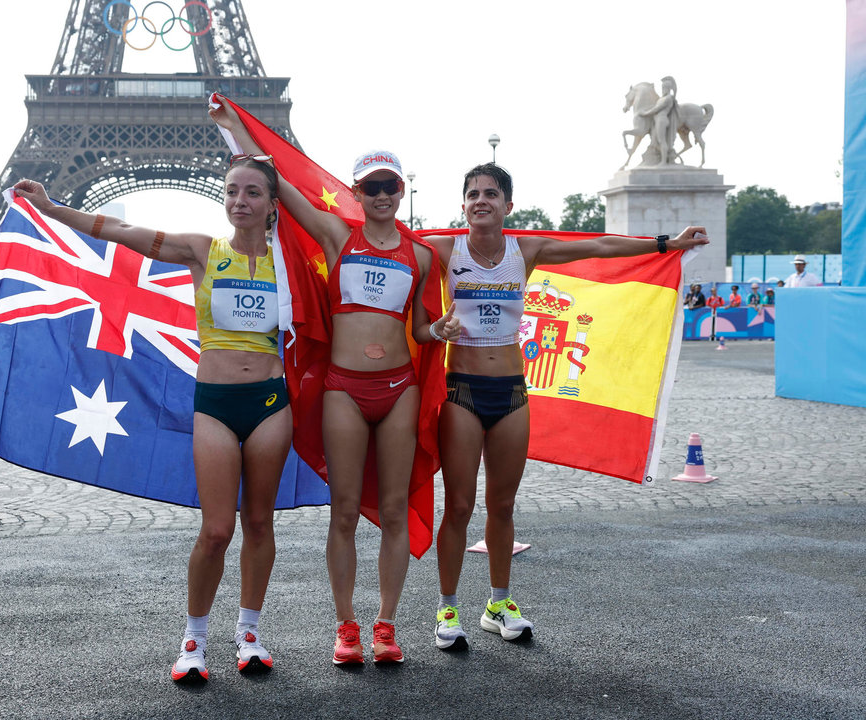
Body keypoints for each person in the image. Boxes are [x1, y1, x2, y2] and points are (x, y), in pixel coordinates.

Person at [13, 156, 292, 683]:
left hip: (269, 403)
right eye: (232, 191)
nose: (239, 201)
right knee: (215, 530)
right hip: (215, 402)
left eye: (253, 192)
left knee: (259, 523)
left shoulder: (289, 265)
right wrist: (51, 208)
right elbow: (120, 230)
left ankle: (250, 633)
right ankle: (194, 639)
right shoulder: (204, 251)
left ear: (273, 205)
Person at [419, 163, 709, 650]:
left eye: (491, 193)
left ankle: (498, 603)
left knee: (503, 506)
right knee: (461, 506)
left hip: (512, 394)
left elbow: (597, 246)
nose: (481, 201)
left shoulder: (525, 250)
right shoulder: (443, 250)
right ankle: (447, 609)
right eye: (473, 194)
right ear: (462, 205)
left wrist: (665, 245)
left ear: (508, 206)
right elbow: (378, 243)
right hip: (461, 392)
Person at [212, 98, 460, 666]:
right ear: (355, 191)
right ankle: (346, 626)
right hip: (344, 388)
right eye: (371, 187)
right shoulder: (334, 234)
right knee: (344, 509)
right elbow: (279, 185)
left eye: (389, 187)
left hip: (400, 388)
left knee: (394, 510)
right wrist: (236, 130)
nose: (380, 196)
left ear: (401, 193)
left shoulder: (421, 256)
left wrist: (437, 328)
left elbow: (420, 328)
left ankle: (387, 625)